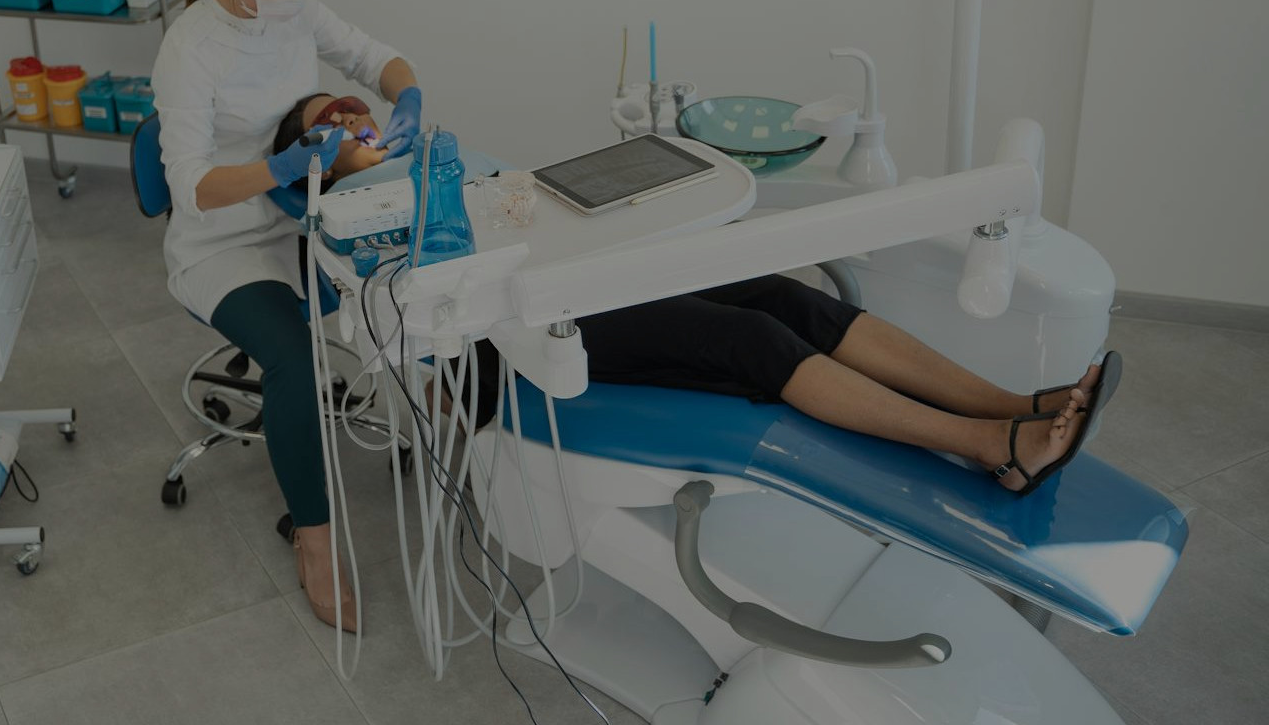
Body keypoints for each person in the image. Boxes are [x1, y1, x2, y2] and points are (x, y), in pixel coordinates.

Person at [152, 0, 422, 631]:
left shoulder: (295, 9)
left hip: (305, 220)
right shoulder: (189, 51)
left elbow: (372, 55)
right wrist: (281, 169)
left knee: (418, 272)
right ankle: (316, 541)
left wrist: (410, 98)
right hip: (223, 245)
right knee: (299, 362)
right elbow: (193, 188)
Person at [470, 274, 1111, 496]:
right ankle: (987, 443)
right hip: (505, 323)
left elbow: (386, 69)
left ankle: (1014, 405)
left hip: (549, 270)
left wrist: (384, 103)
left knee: (780, 294)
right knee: (749, 337)